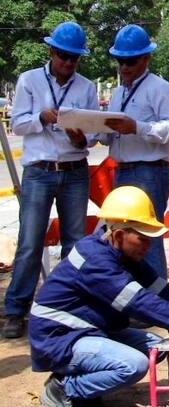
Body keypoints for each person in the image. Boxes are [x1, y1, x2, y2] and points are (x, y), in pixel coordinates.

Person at [29, 186, 169, 407]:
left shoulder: (120, 251)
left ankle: (81, 382)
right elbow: (139, 302)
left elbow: (159, 289)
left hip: (88, 331)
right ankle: (64, 389)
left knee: (159, 347)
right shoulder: (96, 261)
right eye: (142, 238)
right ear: (120, 234)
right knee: (134, 365)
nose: (148, 245)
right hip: (59, 338)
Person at [3, 21, 99, 339]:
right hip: (39, 171)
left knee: (75, 244)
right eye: (63, 57)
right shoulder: (30, 81)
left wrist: (79, 137)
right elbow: (17, 124)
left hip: (74, 170)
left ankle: (71, 305)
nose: (68, 63)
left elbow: (93, 134)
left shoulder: (85, 87)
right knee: (30, 243)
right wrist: (40, 118)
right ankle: (16, 310)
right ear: (51, 52)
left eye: (74, 58)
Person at [101, 24, 169, 279]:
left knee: (146, 237)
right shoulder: (117, 93)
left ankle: (156, 300)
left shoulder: (159, 88)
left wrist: (137, 127)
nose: (124, 67)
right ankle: (135, 299)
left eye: (130, 61)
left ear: (146, 58)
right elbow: (107, 135)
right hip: (122, 171)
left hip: (148, 171)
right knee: (122, 240)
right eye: (120, 61)